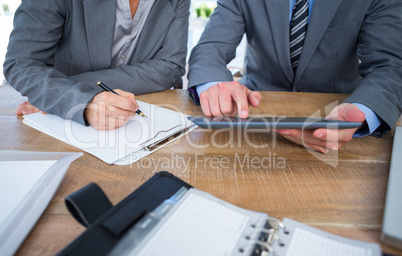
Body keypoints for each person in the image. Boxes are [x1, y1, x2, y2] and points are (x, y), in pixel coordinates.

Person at [187, 0, 402, 153]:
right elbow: (210, 47)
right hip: (254, 116)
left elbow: (391, 66)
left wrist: (362, 111)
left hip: (336, 112)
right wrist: (215, 84)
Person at [4, 0, 190, 130]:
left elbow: (171, 66)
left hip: (142, 114)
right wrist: (80, 101)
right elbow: (21, 63)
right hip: (60, 127)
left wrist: (61, 91)